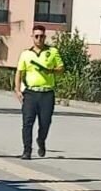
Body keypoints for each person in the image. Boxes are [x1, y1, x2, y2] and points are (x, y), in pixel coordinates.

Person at [15, 25, 64, 159]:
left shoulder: (52, 52)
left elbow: (61, 68)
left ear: (45, 37)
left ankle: (41, 140)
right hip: (31, 92)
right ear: (32, 37)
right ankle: (27, 150)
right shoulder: (26, 54)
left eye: (41, 36)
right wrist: (17, 90)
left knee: (45, 122)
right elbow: (19, 72)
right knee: (27, 122)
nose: (39, 39)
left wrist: (51, 70)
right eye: (36, 36)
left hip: (47, 93)